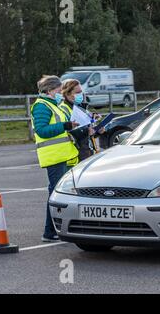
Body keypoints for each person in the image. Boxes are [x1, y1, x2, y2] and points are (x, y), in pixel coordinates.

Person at [31, 75, 79, 242]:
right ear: (50, 90)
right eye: (59, 90)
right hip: (54, 156)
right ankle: (49, 231)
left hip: (64, 155)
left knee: (60, 194)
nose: (61, 92)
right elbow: (42, 131)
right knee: (55, 194)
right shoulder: (41, 106)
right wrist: (65, 126)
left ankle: (54, 230)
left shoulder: (54, 105)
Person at [60, 79, 104, 162]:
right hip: (77, 154)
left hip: (88, 151)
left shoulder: (80, 108)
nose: (80, 94)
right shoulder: (63, 108)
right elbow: (68, 133)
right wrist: (87, 131)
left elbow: (89, 132)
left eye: (81, 92)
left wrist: (97, 131)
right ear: (67, 93)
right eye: (77, 92)